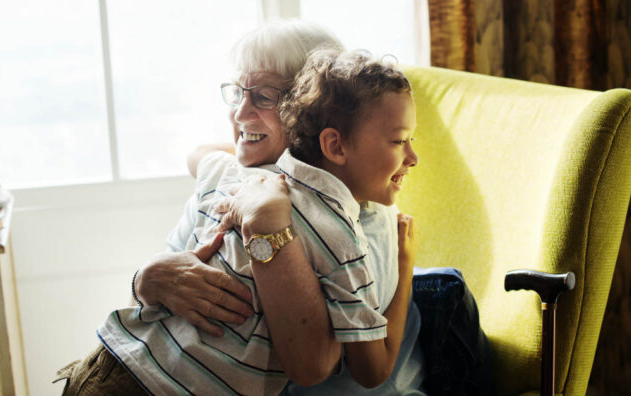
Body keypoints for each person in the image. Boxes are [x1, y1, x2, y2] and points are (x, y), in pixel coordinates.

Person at [56, 20, 424, 396]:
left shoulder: (360, 224)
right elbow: (161, 286)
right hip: (116, 362)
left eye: (263, 96)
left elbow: (319, 367)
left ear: (312, 108)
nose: (239, 113)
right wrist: (146, 278)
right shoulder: (234, 175)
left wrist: (265, 226)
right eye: (236, 93)